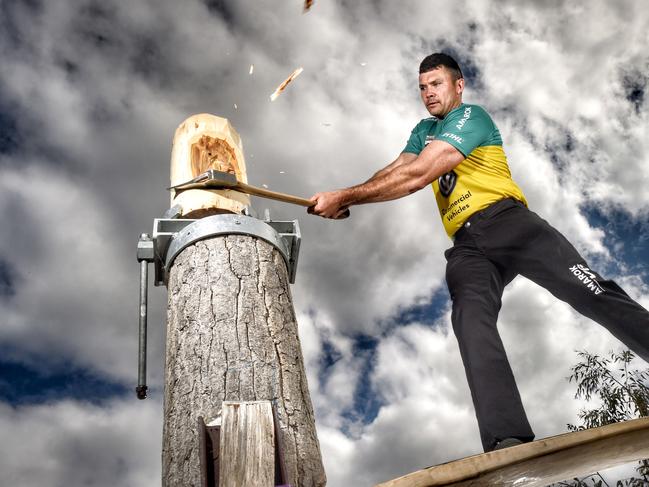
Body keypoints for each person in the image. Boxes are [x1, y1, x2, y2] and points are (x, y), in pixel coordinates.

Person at [308, 52, 649, 452]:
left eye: (436, 84)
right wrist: (346, 198)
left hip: (511, 224)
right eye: (422, 87)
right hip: (468, 246)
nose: (428, 93)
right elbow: (394, 171)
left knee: (591, 291)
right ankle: (507, 436)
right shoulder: (423, 130)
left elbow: (419, 176)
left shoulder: (471, 118)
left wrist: (346, 195)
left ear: (458, 85)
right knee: (469, 316)